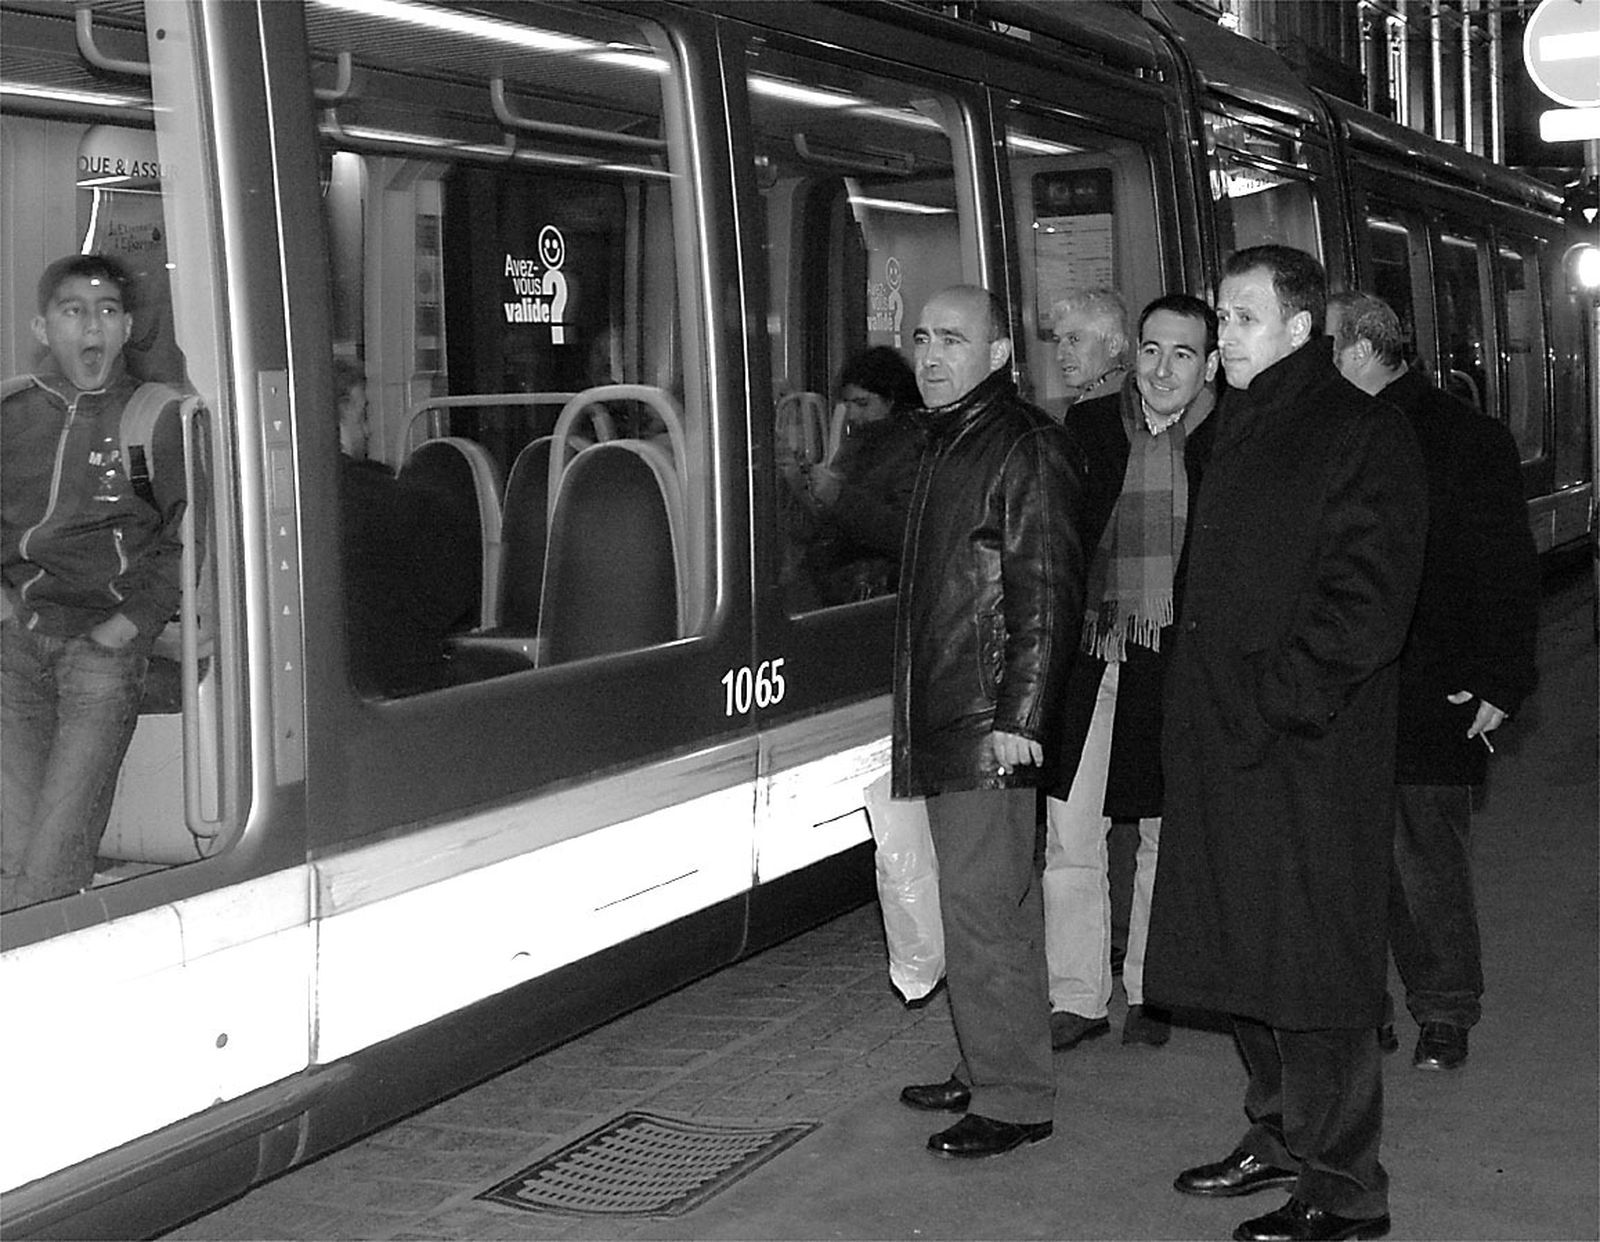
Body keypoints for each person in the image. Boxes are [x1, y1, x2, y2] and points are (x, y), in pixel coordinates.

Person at [1144, 246, 1426, 1242]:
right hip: (1225, 746)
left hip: (1304, 756)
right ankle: (1274, 1135)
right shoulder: (1229, 432)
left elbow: (1367, 602)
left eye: (1242, 318)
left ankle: (1347, 1189)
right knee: (1241, 959)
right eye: (1220, 316)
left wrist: (1274, 701)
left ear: (1302, 329)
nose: (1221, 334)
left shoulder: (1359, 431)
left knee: (1314, 975)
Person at [893, 285, 1087, 1159]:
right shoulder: (951, 439)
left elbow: (1048, 590)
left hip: (987, 721)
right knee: (978, 906)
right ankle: (988, 1064)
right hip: (954, 712)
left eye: (954, 341)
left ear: (1002, 353)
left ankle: (1013, 1099)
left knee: (986, 914)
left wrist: (1023, 715)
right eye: (923, 338)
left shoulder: (1023, 446)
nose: (932, 356)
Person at [1326, 290, 1539, 1073]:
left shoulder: (1464, 438)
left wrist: (1502, 679)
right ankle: (1358, 1006)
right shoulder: (1321, 431)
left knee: (1425, 858)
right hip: (1340, 683)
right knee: (1342, 858)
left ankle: (1445, 1010)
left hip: (1433, 683)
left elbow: (1505, 569)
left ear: (1355, 349)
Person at [1043, 294, 1220, 1052]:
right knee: (1070, 830)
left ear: (1208, 365)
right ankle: (1076, 996)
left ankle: (1153, 990)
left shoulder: (1228, 442)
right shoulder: (1085, 430)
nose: (1163, 369)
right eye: (1152, 350)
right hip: (1090, 657)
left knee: (1162, 831)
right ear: (1133, 353)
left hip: (1176, 663)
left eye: (1183, 354)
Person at [2, 254, 188, 911]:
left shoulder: (157, 417)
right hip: (15, 649)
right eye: (73, 310)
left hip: (101, 652)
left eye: (107, 310)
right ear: (43, 327)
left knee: (53, 860)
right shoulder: (11, 413)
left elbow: (184, 537)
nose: (92, 325)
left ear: (127, 324)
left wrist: (127, 626)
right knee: (10, 856)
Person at [336, 358, 477, 696]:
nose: (368, 431)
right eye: (362, 415)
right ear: (337, 417)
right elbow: (454, 598)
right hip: (402, 688)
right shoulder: (393, 503)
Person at [785, 346, 923, 604]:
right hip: (835, 582)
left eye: (863, 404)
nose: (853, 415)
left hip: (874, 591)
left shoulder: (914, 448)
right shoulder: (857, 443)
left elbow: (904, 532)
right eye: (848, 405)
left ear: (891, 400)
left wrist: (839, 497)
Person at [1049, 288, 1129, 412]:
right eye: (1058, 341)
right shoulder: (1135, 396)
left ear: (1113, 345)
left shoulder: (1091, 412)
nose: (1059, 355)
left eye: (1074, 339)